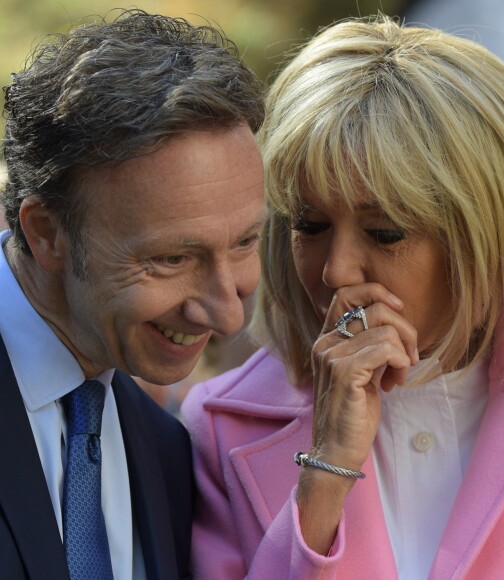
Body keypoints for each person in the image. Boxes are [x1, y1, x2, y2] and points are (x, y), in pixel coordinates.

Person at [182, 15, 504, 579]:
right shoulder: (220, 425)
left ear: (490, 233)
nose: (337, 271)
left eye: (386, 232)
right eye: (310, 225)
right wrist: (324, 474)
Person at [0, 9, 264, 580]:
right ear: (46, 233)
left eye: (245, 242)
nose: (227, 312)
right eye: (172, 258)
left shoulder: (170, 451)